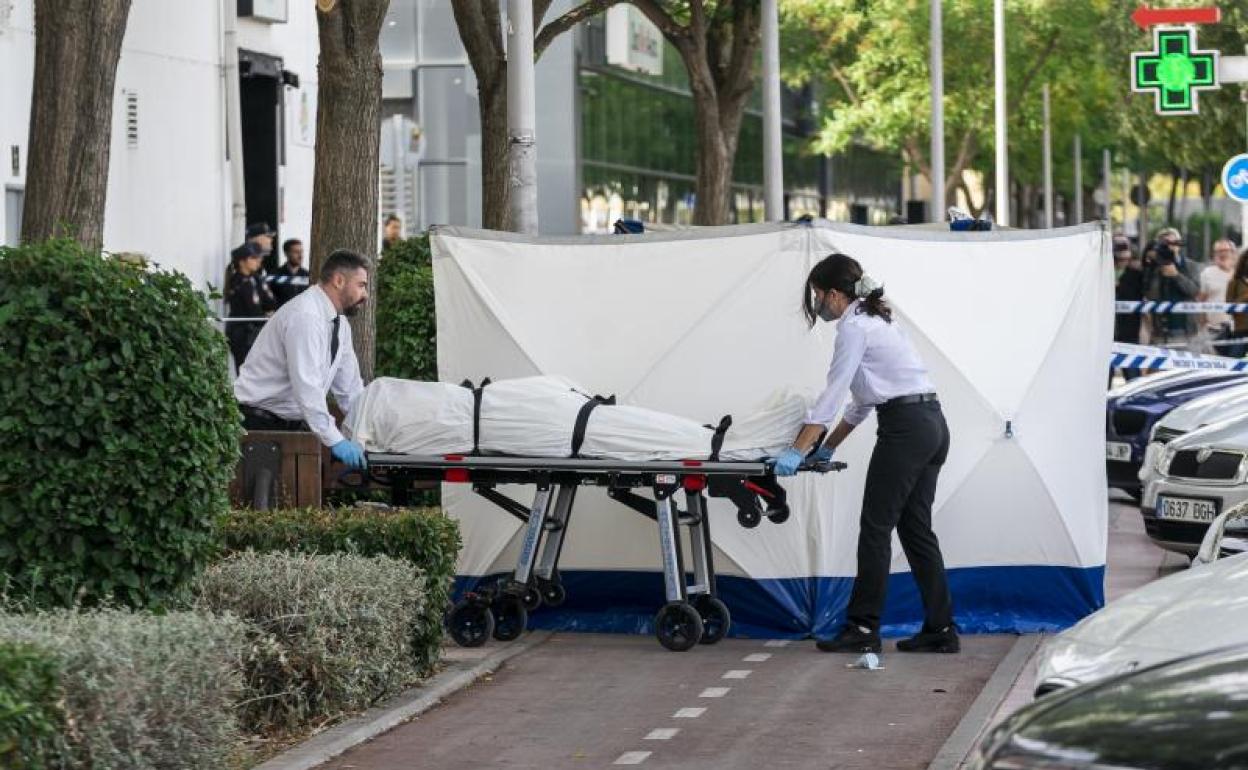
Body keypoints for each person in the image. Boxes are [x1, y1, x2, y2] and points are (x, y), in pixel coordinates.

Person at [772, 252, 956, 655]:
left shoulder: (854, 328)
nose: (818, 304)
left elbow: (834, 394)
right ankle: (941, 629)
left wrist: (797, 449)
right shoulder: (878, 322)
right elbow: (859, 403)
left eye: (819, 295)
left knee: (875, 528)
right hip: (931, 423)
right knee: (915, 529)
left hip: (905, 429)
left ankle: (862, 627)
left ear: (835, 294)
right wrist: (827, 448)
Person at [234, 249, 371, 470]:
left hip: (288, 425)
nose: (366, 295)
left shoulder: (339, 323)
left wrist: (369, 431)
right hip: (258, 424)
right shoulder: (306, 316)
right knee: (262, 503)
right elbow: (307, 388)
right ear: (338, 280)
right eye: (361, 285)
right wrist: (336, 441)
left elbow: (349, 390)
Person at [1144, 227, 1202, 343]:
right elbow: (1149, 294)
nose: (1170, 247)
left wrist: (1176, 275)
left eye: (1174, 243)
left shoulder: (1191, 266)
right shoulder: (1154, 267)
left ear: (1179, 245)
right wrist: (1154, 266)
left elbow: (1194, 291)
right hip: (1160, 331)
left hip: (1186, 330)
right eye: (1165, 244)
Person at [224, 241, 277, 367]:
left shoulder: (256, 279)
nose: (258, 260)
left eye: (258, 257)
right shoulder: (239, 281)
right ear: (242, 262)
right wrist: (265, 314)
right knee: (246, 373)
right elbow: (254, 310)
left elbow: (271, 303)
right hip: (242, 334)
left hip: (254, 333)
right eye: (253, 258)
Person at [1113, 237, 1146, 381]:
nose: (1122, 261)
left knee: (1133, 377)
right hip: (1106, 334)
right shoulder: (1101, 274)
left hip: (1129, 332)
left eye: (1126, 258)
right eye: (1119, 258)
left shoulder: (1136, 275)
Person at [1199, 239, 1238, 341]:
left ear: (1233, 253)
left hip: (1237, 328)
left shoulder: (1240, 273)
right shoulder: (1207, 273)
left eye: (1226, 250)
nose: (1222, 254)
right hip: (1214, 328)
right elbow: (1201, 300)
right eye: (1219, 251)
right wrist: (1202, 325)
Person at [270, 238, 310, 308]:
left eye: (301, 252)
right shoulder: (275, 275)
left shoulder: (308, 275)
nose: (300, 256)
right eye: (296, 252)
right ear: (286, 253)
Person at [1226, 246, 1248, 358]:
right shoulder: (1234, 283)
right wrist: (1245, 297)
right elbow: (1228, 309)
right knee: (1234, 362)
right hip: (1241, 330)